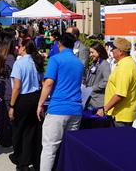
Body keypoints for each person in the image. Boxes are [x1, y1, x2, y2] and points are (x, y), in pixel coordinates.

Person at [37, 31, 84, 171]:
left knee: (49, 149)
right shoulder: (79, 63)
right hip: (75, 110)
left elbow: (49, 83)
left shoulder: (55, 59)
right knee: (68, 148)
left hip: (58, 109)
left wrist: (40, 104)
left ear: (59, 43)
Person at [9, 38, 44, 171]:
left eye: (19, 46)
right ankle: (30, 159)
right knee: (31, 131)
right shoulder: (36, 61)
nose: (18, 48)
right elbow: (41, 81)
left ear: (23, 47)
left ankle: (20, 159)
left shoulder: (20, 63)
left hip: (23, 99)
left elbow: (17, 87)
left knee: (19, 130)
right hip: (35, 97)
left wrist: (12, 106)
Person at [97, 37, 136, 127]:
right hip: (121, 115)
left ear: (120, 51)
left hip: (120, 116)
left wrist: (105, 109)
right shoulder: (127, 63)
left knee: (118, 140)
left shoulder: (125, 67)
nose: (111, 50)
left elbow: (120, 94)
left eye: (113, 48)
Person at [0, 37, 16, 147]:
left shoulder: (0, 57)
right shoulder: (10, 59)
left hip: (2, 88)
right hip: (9, 90)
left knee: (2, 114)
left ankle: (2, 138)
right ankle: (7, 139)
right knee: (8, 117)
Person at [84, 43, 111, 110]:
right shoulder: (94, 64)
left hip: (98, 102)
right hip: (90, 100)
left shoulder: (105, 64)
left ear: (98, 51)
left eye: (92, 52)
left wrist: (93, 88)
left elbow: (107, 81)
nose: (90, 55)